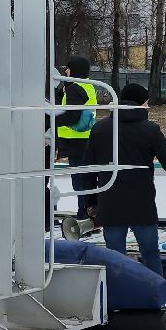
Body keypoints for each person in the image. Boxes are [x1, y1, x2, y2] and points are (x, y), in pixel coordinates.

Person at [87, 83, 166, 276]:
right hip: (142, 204)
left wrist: (91, 204)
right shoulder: (149, 130)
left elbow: (88, 170)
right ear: (141, 103)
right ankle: (155, 295)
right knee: (150, 253)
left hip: (110, 203)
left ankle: (117, 296)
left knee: (114, 256)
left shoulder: (100, 128)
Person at [54, 55, 100, 216]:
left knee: (80, 182)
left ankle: (83, 216)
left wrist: (52, 119)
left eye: (67, 68)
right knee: (86, 179)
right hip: (86, 138)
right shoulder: (88, 85)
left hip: (76, 140)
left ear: (74, 69)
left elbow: (72, 116)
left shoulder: (75, 87)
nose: (65, 71)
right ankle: (89, 214)